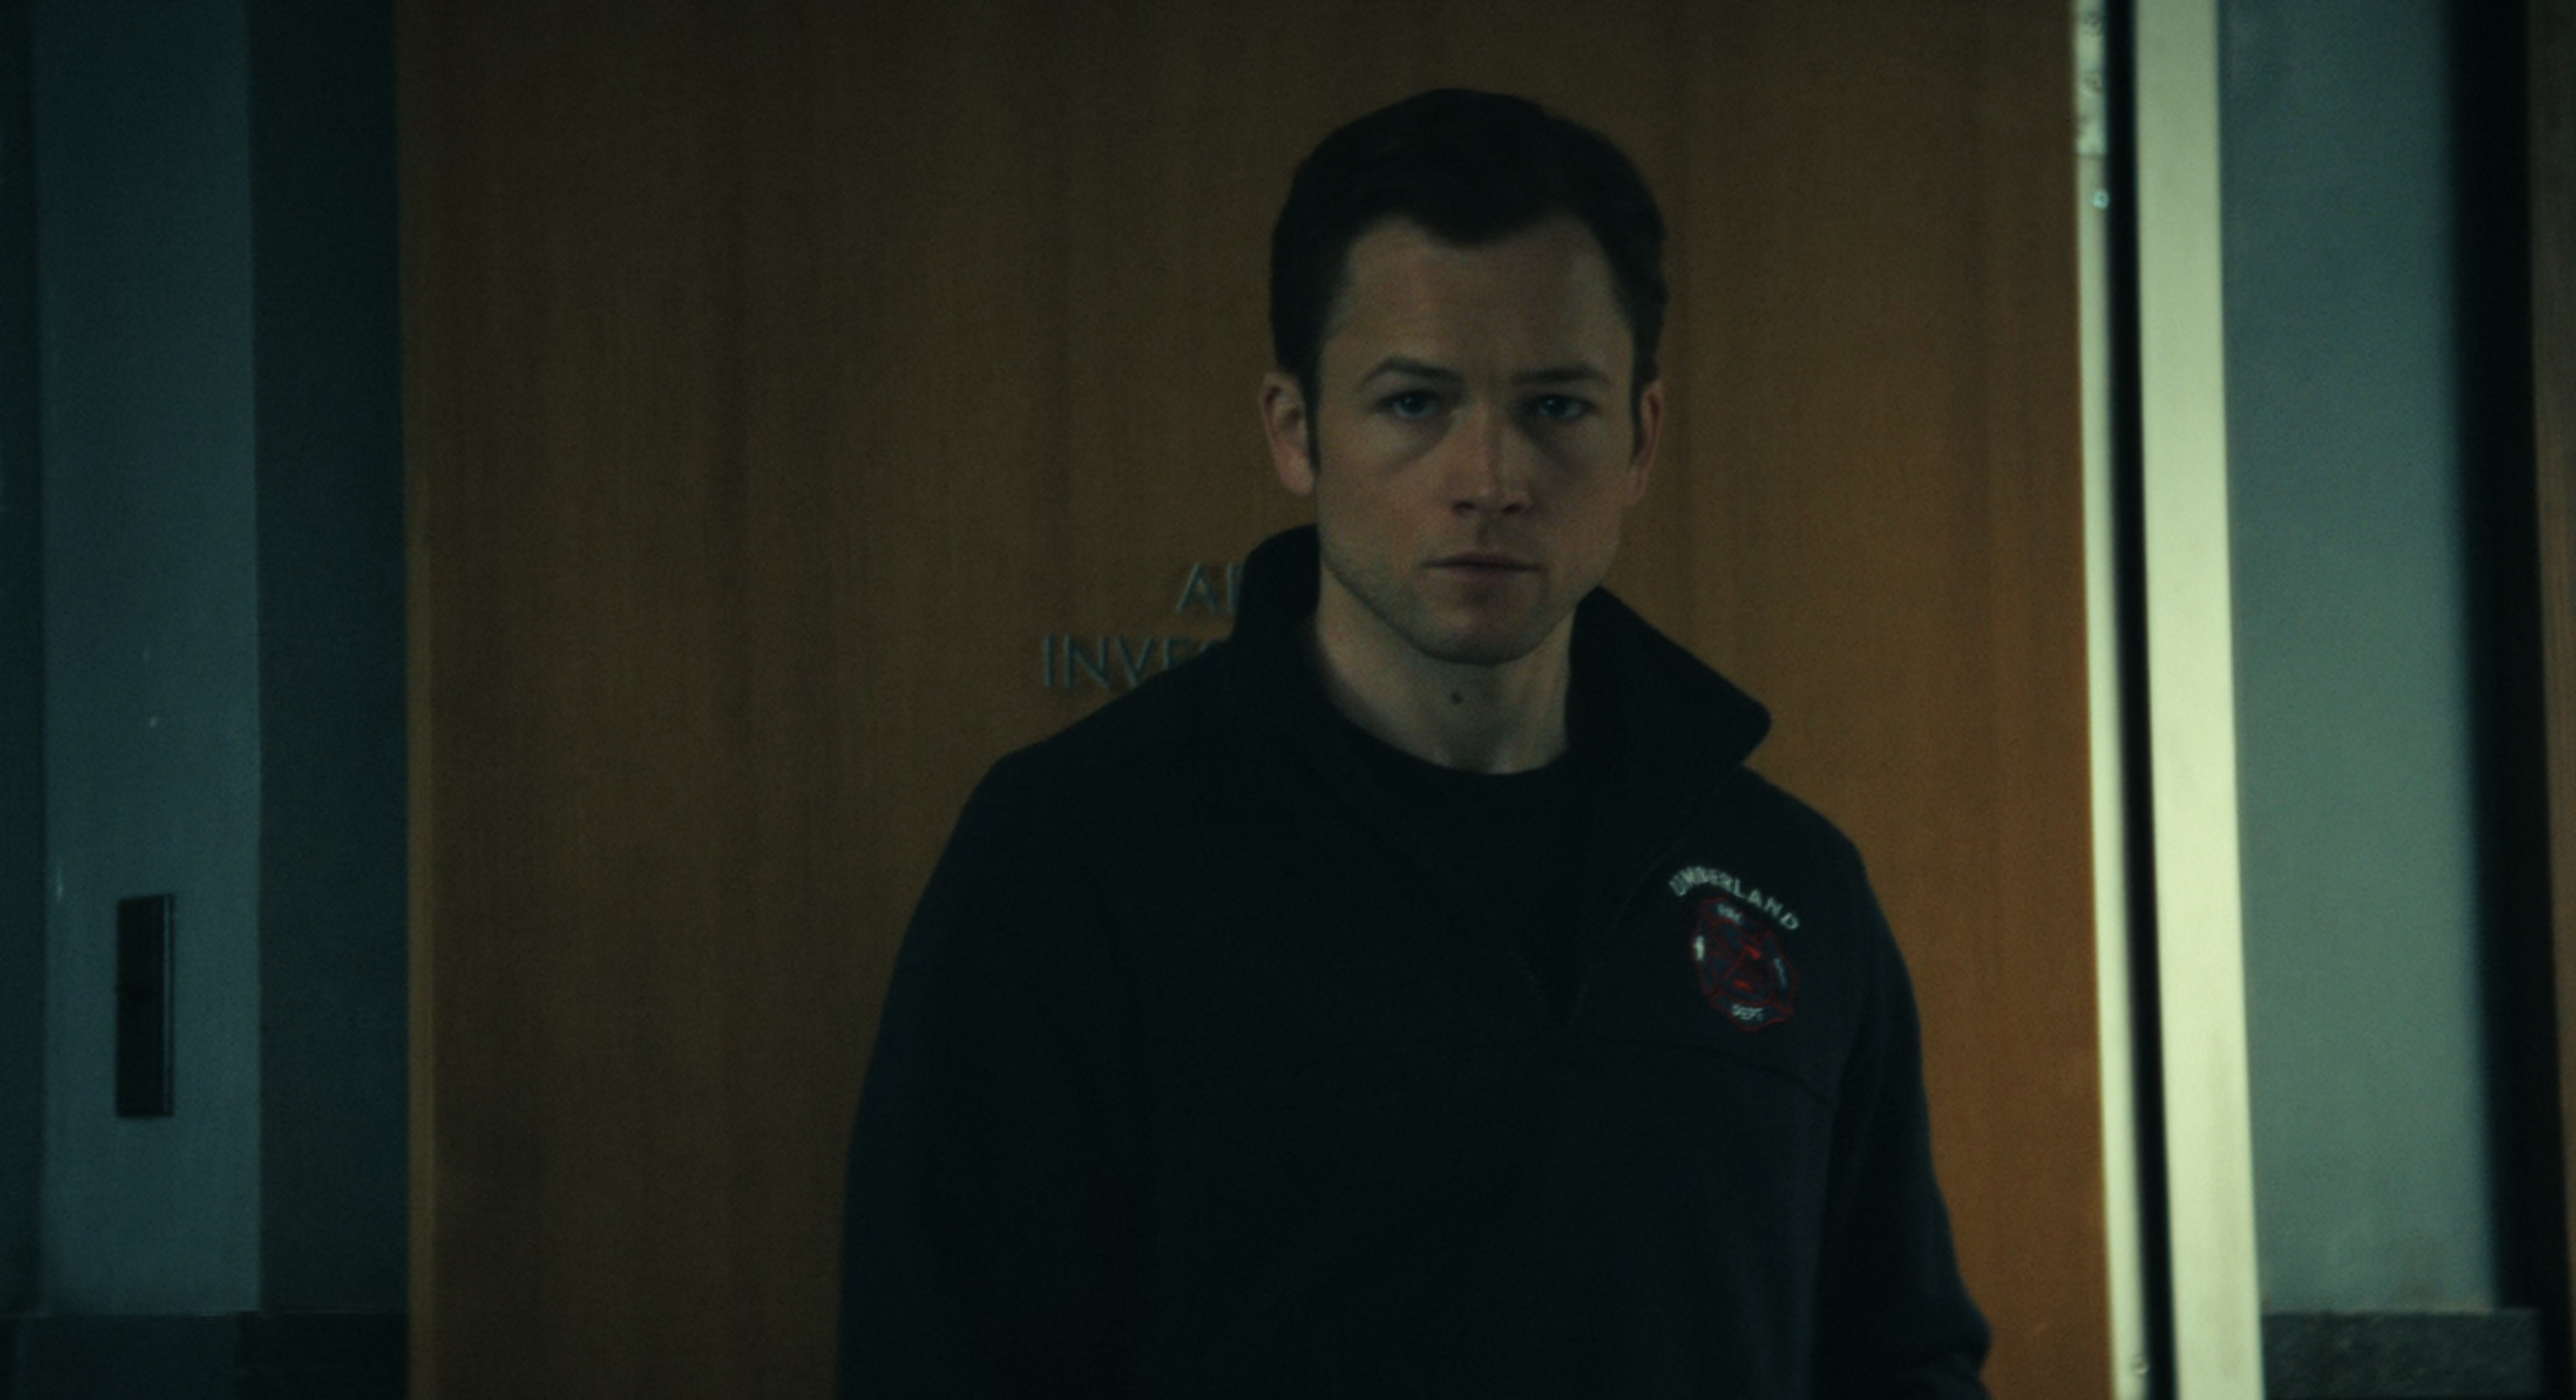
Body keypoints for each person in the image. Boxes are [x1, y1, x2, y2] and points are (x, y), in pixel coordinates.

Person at [838, 88, 1991, 1398]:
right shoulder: (1072, 856)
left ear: (1641, 439)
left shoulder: (1792, 881)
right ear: (1295, 431)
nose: (1490, 476)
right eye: (1414, 402)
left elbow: (1901, 1356)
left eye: (1556, 407)